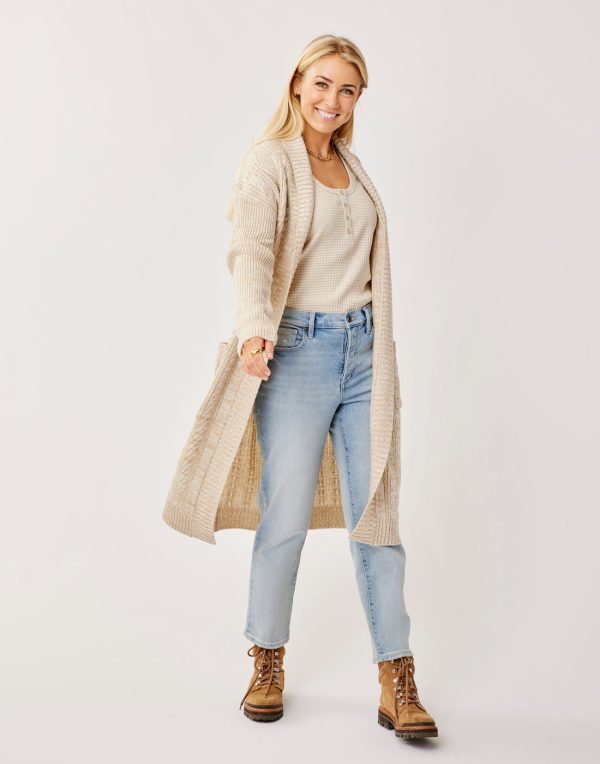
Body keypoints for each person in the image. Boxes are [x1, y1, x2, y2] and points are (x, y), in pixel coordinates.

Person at [230, 35, 438, 740]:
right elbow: (251, 248)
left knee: (377, 516)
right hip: (296, 350)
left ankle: (396, 676)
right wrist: (254, 329)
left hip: (365, 352)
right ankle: (266, 659)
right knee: (283, 516)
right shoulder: (271, 161)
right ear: (297, 84)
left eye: (347, 89)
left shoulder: (352, 165)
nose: (332, 100)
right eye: (322, 84)